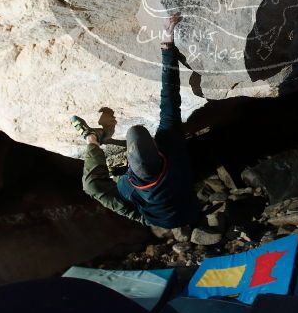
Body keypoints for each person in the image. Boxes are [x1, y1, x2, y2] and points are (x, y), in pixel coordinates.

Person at [71, 13, 201, 229]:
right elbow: (170, 97)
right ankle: (91, 140)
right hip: (176, 210)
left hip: (165, 215)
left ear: (130, 168)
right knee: (94, 186)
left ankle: (93, 140)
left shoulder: (127, 188)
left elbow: (95, 188)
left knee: (96, 187)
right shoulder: (172, 149)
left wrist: (166, 42)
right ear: (158, 150)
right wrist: (167, 43)